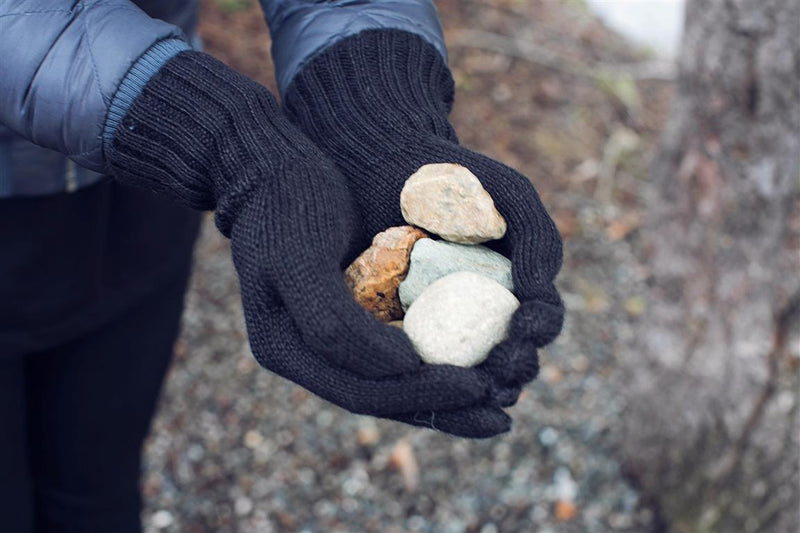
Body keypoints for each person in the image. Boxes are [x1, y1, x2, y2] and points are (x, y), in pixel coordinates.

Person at [0, 0, 565, 530]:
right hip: (138, 128)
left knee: (97, 481)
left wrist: (367, 103)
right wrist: (203, 124)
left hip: (138, 173)